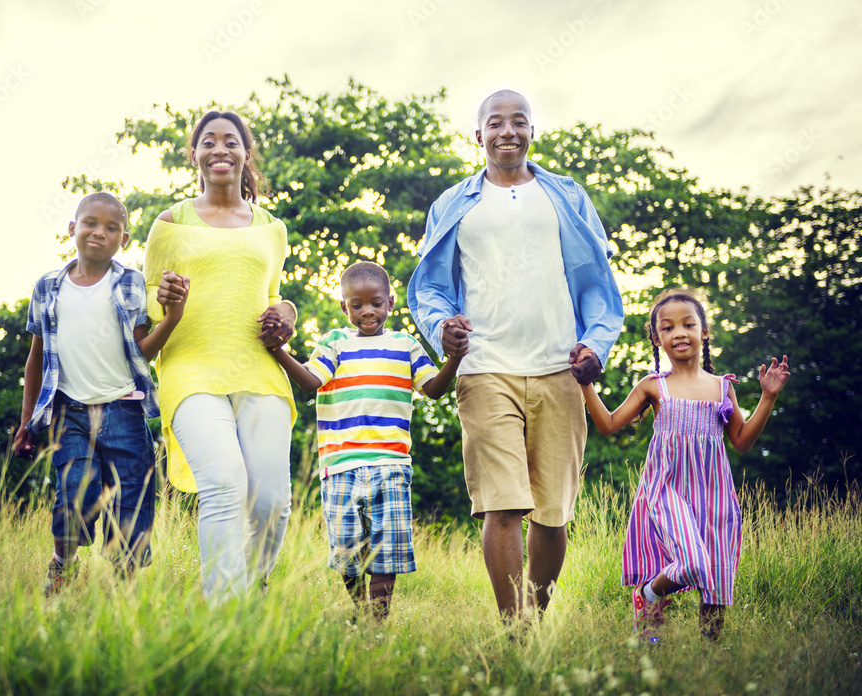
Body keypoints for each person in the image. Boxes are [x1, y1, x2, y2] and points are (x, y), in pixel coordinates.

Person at [407, 89, 624, 624]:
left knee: (552, 514)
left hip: (558, 367)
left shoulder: (566, 196)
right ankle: (513, 633)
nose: (508, 131)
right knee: (501, 504)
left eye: (518, 122)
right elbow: (430, 287)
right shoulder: (453, 203)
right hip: (483, 368)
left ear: (532, 132)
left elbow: (598, 284)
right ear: (477, 135)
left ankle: (536, 614)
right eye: (495, 123)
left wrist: (596, 345)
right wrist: (442, 327)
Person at [144, 110, 297, 602]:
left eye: (230, 141)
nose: (219, 149)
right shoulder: (171, 223)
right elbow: (147, 302)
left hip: (259, 370)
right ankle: (224, 611)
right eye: (208, 141)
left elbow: (272, 296)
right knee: (225, 482)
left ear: (245, 153)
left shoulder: (272, 228)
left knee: (272, 501)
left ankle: (251, 593)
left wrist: (289, 311)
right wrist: (164, 295)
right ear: (194, 155)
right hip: (191, 371)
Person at [580, 289, 790, 641]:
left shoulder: (723, 388)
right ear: (657, 338)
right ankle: (647, 596)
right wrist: (585, 384)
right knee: (693, 564)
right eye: (668, 327)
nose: (679, 332)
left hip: (716, 497)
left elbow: (741, 441)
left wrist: (768, 397)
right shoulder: (653, 386)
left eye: (688, 324)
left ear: (704, 332)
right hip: (667, 492)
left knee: (716, 582)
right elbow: (608, 425)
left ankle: (708, 661)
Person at [267, 261, 466, 620]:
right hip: (339, 464)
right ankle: (360, 609)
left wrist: (453, 359)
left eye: (375, 302)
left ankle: (377, 619)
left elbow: (434, 389)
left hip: (390, 463)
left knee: (387, 547)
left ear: (390, 303)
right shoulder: (334, 343)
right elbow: (311, 382)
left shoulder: (405, 345)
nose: (367, 311)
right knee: (347, 549)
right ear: (345, 307)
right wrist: (278, 351)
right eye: (356, 305)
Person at [14, 191, 189, 595]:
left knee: (132, 505)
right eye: (90, 223)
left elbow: (142, 349)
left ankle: (121, 592)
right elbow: (35, 359)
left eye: (112, 228)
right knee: (74, 493)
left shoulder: (129, 284)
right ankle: (63, 562)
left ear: (123, 240)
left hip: (124, 413)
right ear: (72, 229)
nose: (99, 232)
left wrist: (174, 319)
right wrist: (27, 423)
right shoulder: (48, 288)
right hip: (69, 413)